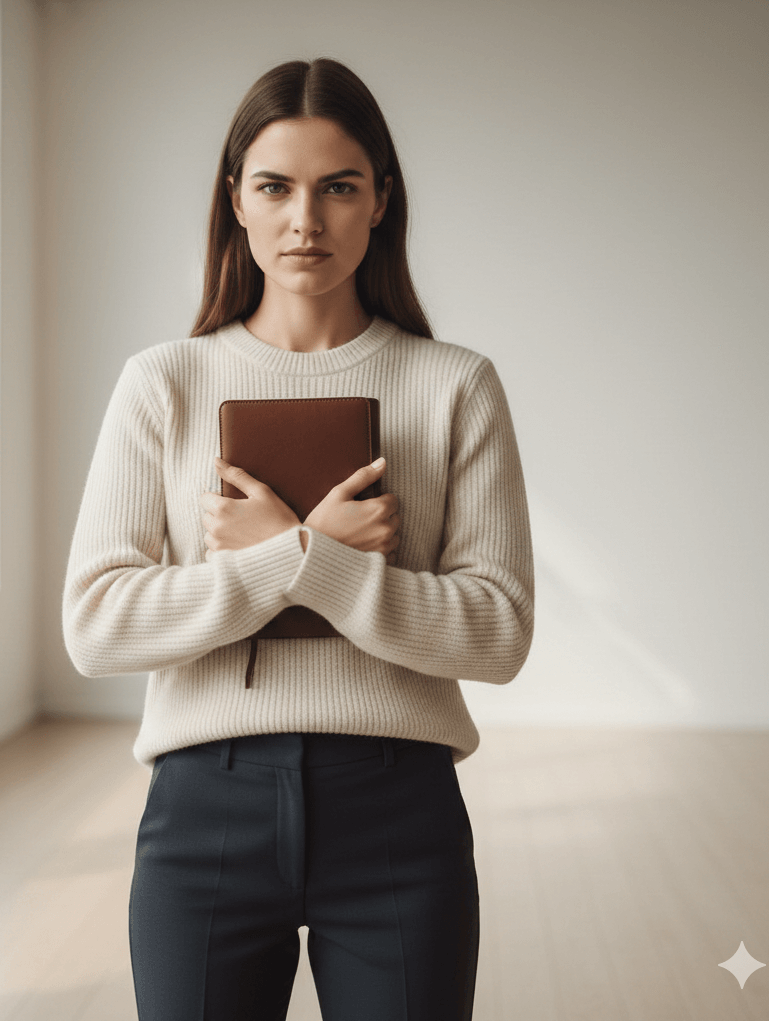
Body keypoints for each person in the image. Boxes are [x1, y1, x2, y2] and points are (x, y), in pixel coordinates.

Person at [62, 57, 534, 1021]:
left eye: (339, 188)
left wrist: (302, 560)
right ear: (235, 199)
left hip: (400, 812)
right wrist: (300, 557)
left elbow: (498, 635)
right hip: (204, 811)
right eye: (275, 187)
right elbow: (96, 626)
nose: (305, 221)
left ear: (382, 203)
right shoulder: (163, 382)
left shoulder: (456, 385)